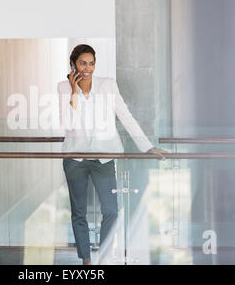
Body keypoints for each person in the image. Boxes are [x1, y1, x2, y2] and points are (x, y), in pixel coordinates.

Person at [57, 44, 167, 265]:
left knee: (111, 210)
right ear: (73, 64)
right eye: (82, 63)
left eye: (91, 63)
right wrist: (74, 91)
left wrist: (147, 147)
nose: (87, 68)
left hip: (103, 157)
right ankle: (86, 261)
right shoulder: (63, 87)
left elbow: (125, 116)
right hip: (75, 159)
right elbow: (66, 124)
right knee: (79, 213)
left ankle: (105, 257)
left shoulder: (107, 86)